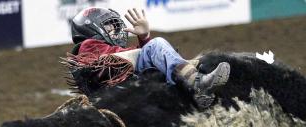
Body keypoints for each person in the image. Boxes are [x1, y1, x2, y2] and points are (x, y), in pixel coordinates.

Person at [69, 7, 230, 109]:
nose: (116, 32)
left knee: (162, 52)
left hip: (118, 85)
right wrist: (147, 41)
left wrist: (144, 39)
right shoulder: (88, 45)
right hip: (113, 85)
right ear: (92, 28)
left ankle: (192, 84)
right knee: (158, 44)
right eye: (110, 27)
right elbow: (126, 58)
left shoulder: (98, 50)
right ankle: (197, 84)